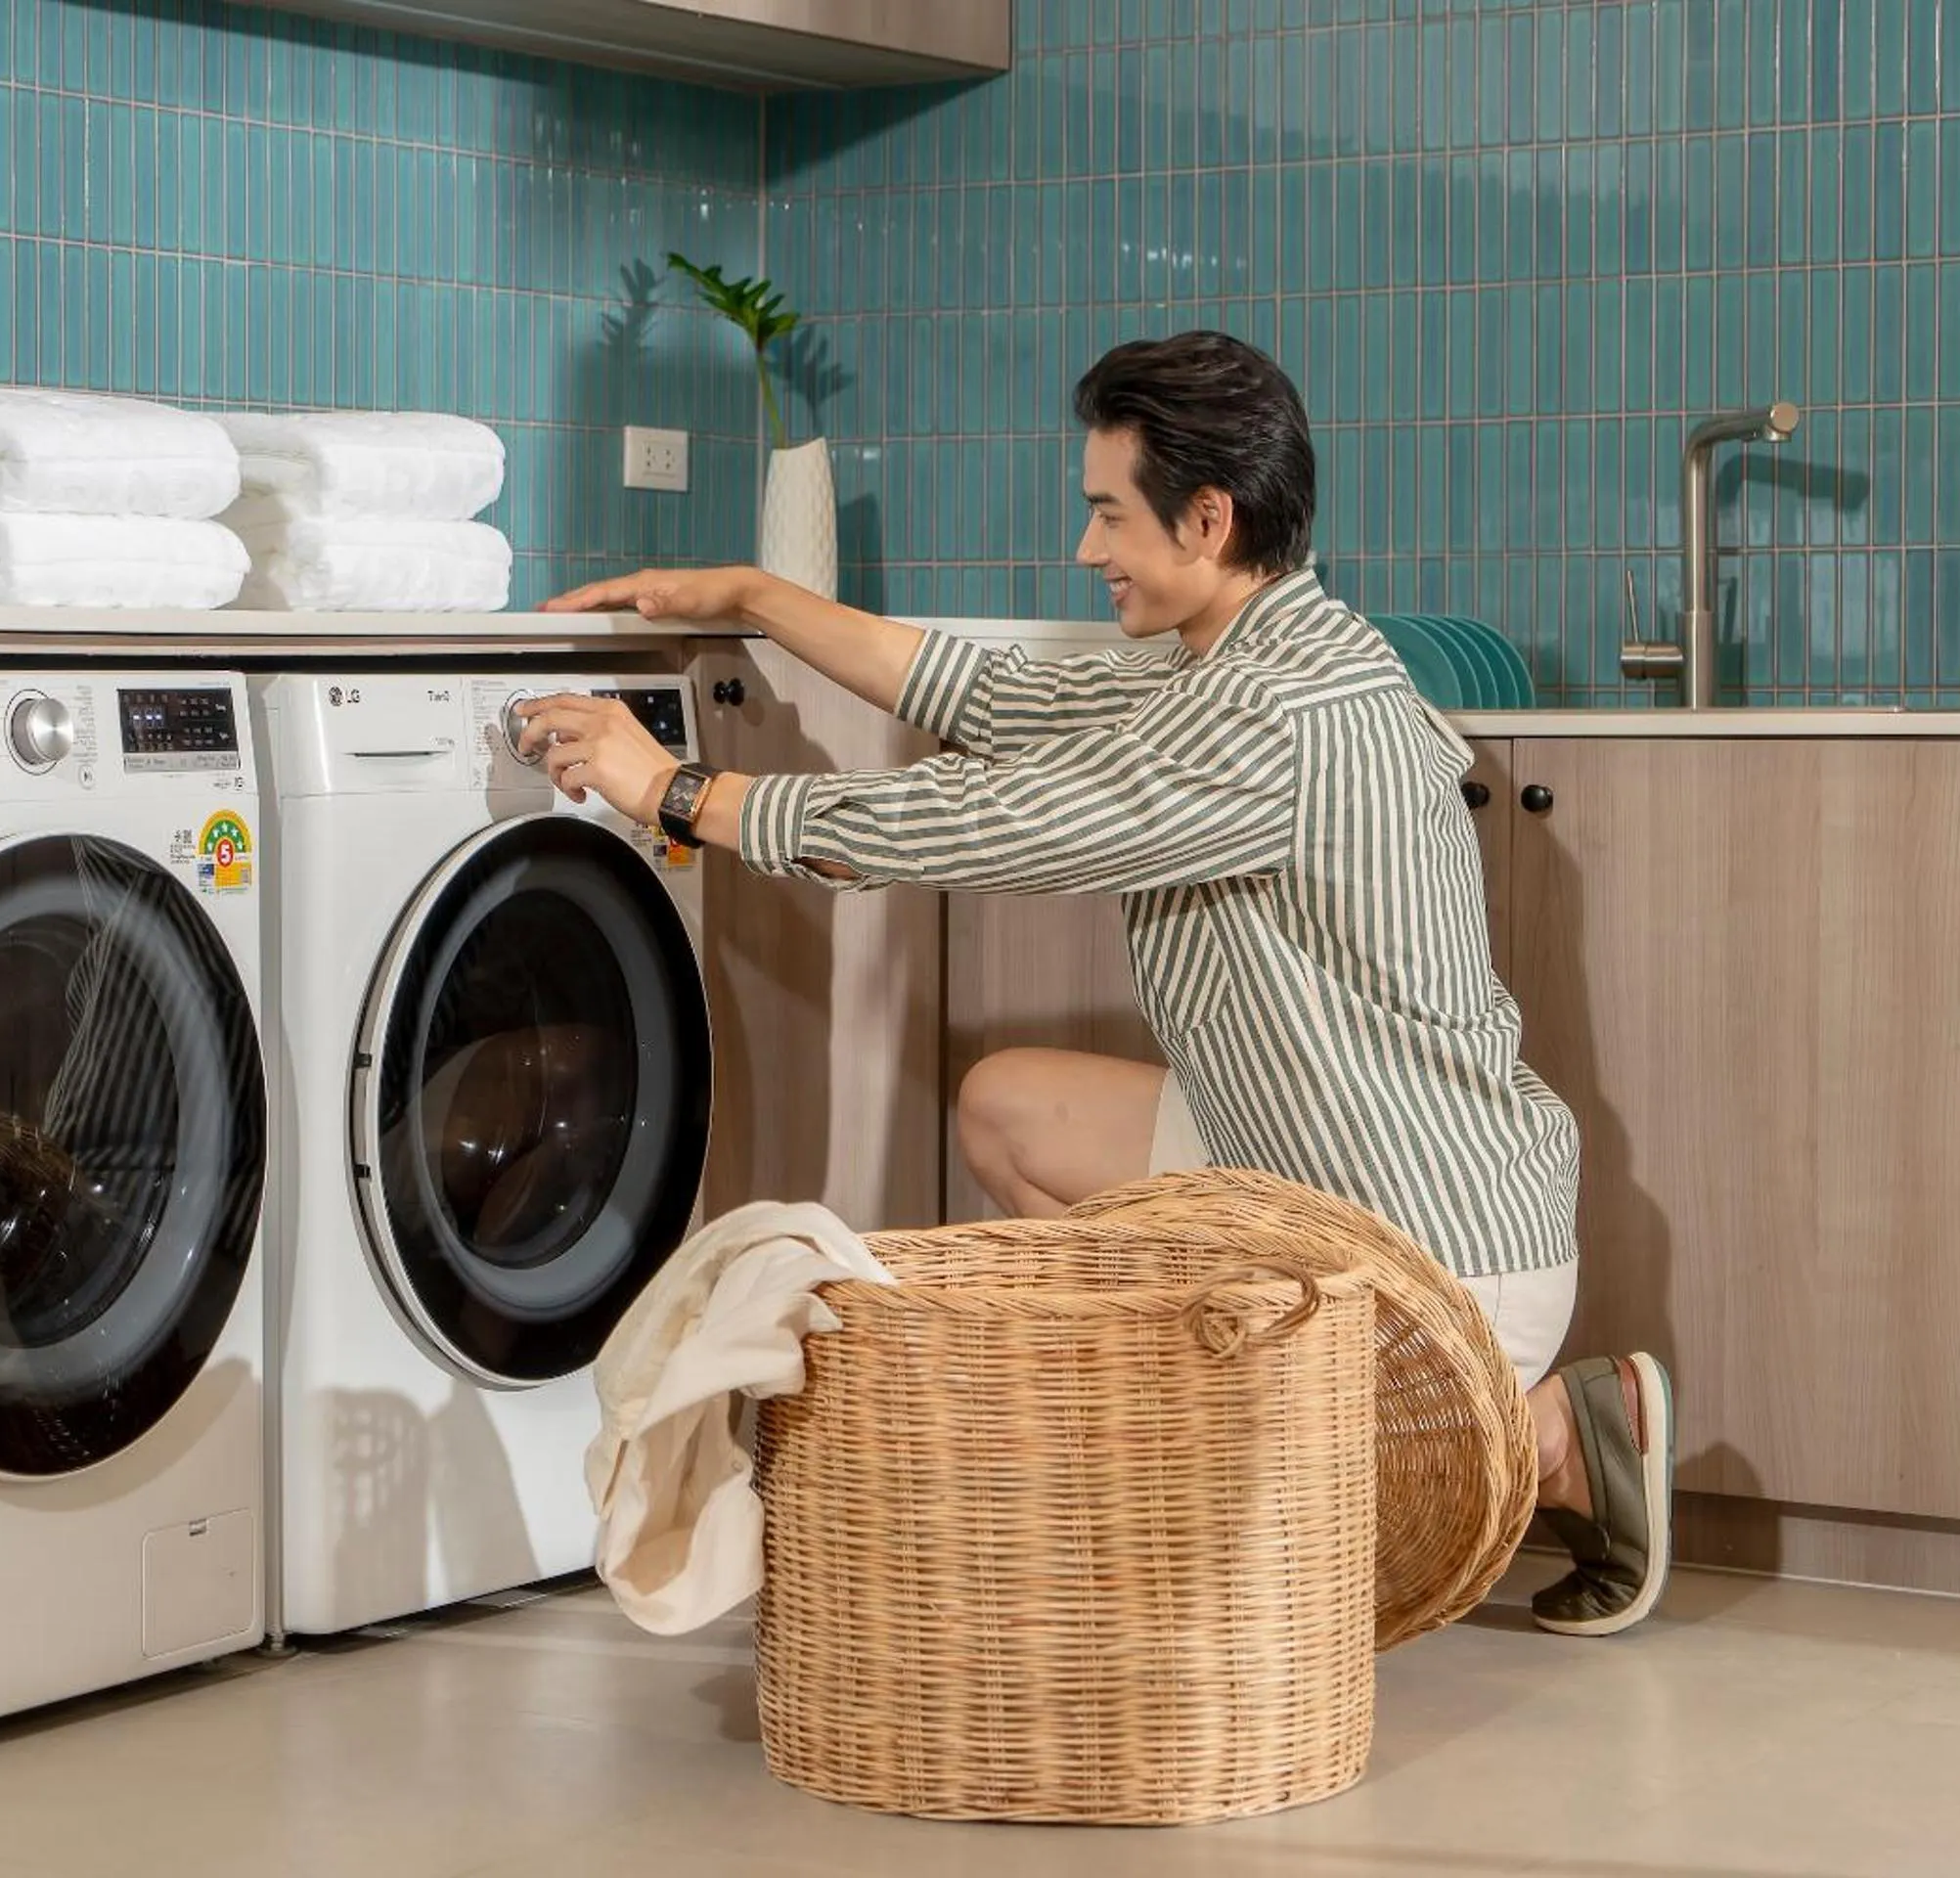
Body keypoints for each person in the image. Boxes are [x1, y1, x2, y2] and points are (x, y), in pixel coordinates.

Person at [523, 330, 1670, 1637]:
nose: (1087, 550)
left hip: (1429, 1247)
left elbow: (990, 822)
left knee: (1219, 1555)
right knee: (1013, 1107)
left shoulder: (1273, 717)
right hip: (1311, 1165)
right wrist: (755, 595)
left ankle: (1536, 1439)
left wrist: (676, 791)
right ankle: (1285, 1431)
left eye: (1106, 513)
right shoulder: (1231, 655)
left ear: (1208, 515)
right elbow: (994, 693)